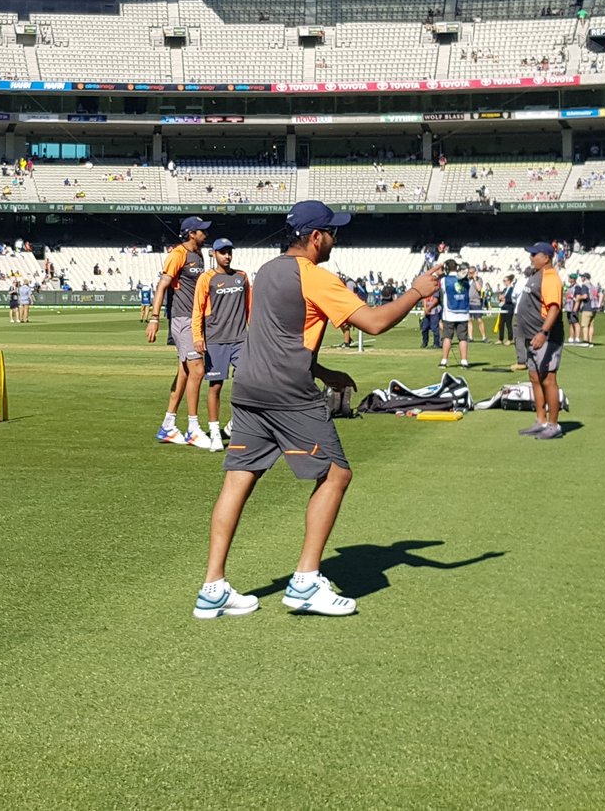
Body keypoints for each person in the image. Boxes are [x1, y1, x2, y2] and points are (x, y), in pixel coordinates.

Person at [193, 201, 441, 620]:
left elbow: (279, 335)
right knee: (336, 474)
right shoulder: (316, 277)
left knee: (238, 480)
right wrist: (417, 291)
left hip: (250, 386)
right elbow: (376, 322)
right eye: (332, 232)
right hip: (288, 391)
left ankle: (212, 588)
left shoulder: (268, 270)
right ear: (315, 237)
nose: (335, 239)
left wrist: (324, 369)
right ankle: (306, 582)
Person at [147, 216, 212, 446]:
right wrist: (154, 318)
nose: (206, 234)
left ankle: (168, 425)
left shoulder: (199, 254)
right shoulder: (178, 255)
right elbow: (162, 286)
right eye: (202, 231)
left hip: (195, 319)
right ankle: (193, 428)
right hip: (183, 319)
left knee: (185, 372)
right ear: (191, 233)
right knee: (198, 370)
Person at [189, 238, 249, 453]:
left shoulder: (241, 277)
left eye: (229, 252)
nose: (227, 256)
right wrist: (198, 337)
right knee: (215, 386)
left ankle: (235, 425)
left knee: (248, 382)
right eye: (222, 252)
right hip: (215, 340)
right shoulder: (207, 278)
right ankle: (215, 432)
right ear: (213, 254)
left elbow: (249, 307)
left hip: (241, 339)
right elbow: (198, 309)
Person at [514, 243, 567, 440]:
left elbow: (554, 308)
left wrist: (544, 332)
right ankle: (541, 420)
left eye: (534, 254)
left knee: (548, 379)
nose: (531, 257)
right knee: (535, 378)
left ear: (546, 257)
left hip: (545, 337)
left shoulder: (551, 277)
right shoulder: (537, 275)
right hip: (532, 337)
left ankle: (553, 425)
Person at [438, 260, 471, 368]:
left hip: (449, 313)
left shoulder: (444, 280)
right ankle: (464, 361)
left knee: (447, 337)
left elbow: (441, 291)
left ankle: (444, 360)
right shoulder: (465, 280)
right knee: (463, 338)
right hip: (463, 312)